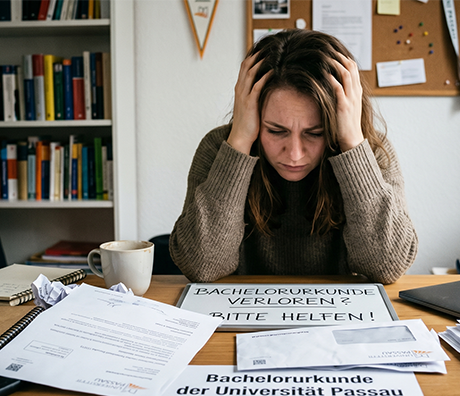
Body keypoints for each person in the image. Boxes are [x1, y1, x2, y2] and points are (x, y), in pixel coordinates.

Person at [169, 29, 417, 284]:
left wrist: (352, 144)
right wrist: (240, 140)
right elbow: (202, 266)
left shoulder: (372, 153)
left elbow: (388, 265)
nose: (295, 154)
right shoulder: (218, 148)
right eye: (276, 131)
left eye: (315, 133)